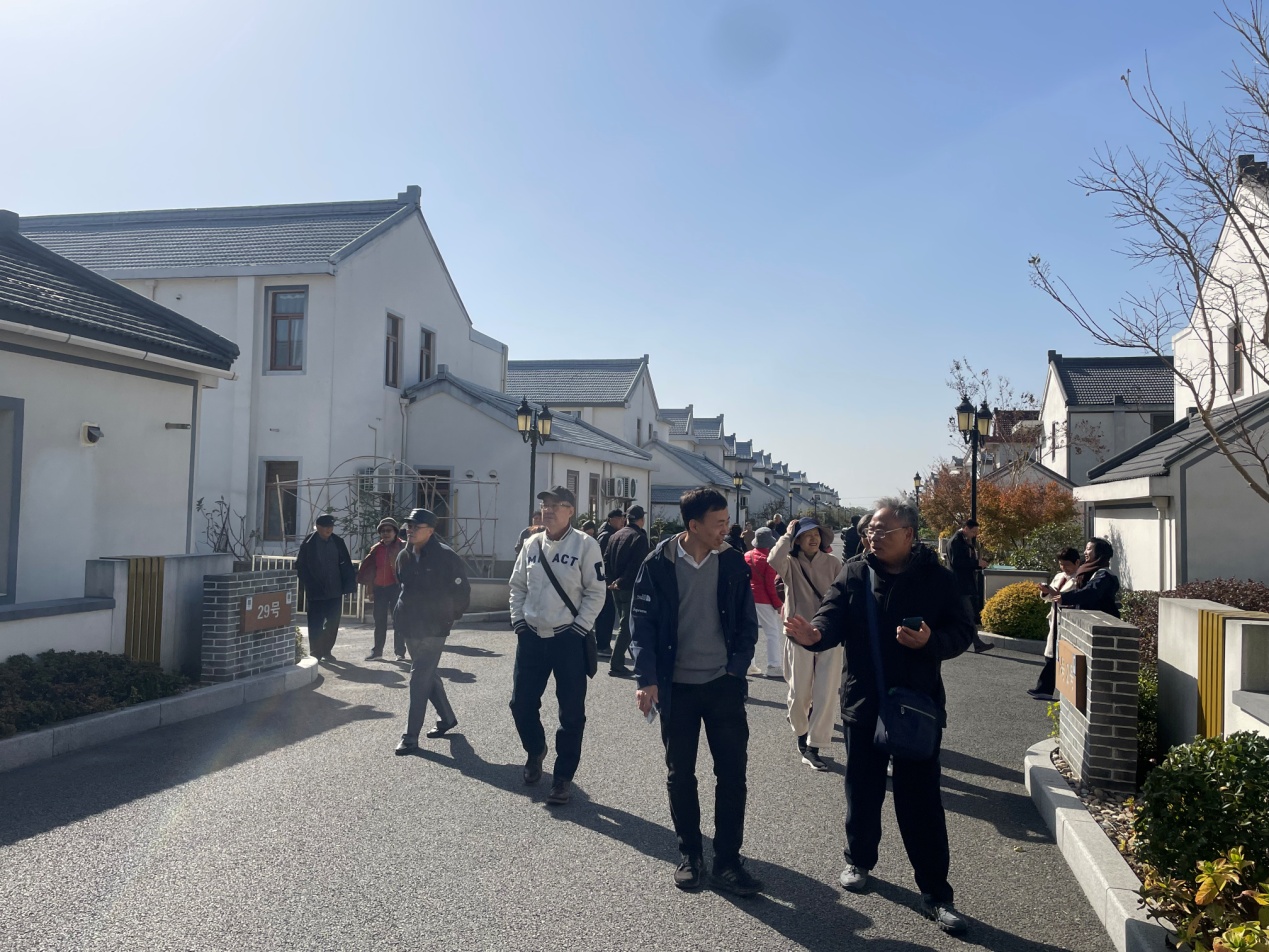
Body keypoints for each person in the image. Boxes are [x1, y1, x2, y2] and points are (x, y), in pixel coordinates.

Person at [784, 498, 977, 935]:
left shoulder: (937, 579)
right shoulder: (854, 572)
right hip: (863, 702)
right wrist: (814, 635)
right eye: (870, 529)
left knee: (921, 800)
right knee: (862, 788)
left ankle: (935, 892)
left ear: (909, 534)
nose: (873, 536)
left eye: (884, 530)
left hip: (916, 704)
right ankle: (858, 861)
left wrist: (930, 641)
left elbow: (963, 630)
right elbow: (830, 618)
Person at [631, 487, 762, 896]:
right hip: (678, 689)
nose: (727, 529)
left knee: (732, 775)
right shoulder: (659, 563)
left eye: (727, 522)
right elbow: (643, 625)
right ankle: (691, 855)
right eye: (719, 523)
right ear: (694, 526)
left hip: (722, 685)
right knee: (680, 775)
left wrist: (736, 671)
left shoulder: (734, 563)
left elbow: (747, 624)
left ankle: (727, 860)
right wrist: (646, 678)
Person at [508, 486, 607, 806]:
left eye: (555, 505)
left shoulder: (586, 544)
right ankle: (535, 750)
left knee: (571, 713)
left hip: (568, 638)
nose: (547, 510)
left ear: (570, 511)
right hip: (532, 636)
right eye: (544, 505)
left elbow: (596, 591)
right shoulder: (531, 544)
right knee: (520, 704)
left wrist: (580, 628)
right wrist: (519, 622)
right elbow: (517, 586)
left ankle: (563, 777)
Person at [393, 509, 471, 754]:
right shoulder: (404, 555)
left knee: (418, 678)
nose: (410, 529)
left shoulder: (446, 557)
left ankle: (410, 737)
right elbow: (402, 584)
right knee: (426, 674)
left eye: (417, 526)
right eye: (408, 525)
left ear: (431, 530)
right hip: (409, 624)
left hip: (434, 628)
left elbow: (462, 593)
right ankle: (447, 718)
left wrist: (448, 618)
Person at [768, 517, 843, 771]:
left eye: (817, 535)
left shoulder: (833, 563)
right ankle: (801, 732)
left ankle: (813, 746)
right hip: (797, 634)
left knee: (826, 693)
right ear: (797, 539)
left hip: (829, 636)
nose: (814, 538)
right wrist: (787, 534)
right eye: (807, 534)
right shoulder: (790, 563)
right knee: (799, 692)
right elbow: (772, 560)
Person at [295, 513, 356, 662]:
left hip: (335, 589)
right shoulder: (309, 543)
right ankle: (315, 651)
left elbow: (346, 565)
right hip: (316, 591)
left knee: (333, 623)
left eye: (331, 526)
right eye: (326, 527)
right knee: (315, 622)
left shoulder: (337, 542)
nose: (329, 529)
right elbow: (300, 566)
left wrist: (348, 585)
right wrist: (309, 584)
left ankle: (327, 650)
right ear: (318, 527)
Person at [1028, 547, 1080, 701]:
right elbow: (1050, 597)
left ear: (1077, 562)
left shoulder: (1080, 578)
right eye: (1061, 564)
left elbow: (1071, 597)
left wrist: (1056, 594)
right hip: (1055, 618)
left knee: (1060, 657)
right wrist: (1045, 591)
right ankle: (1044, 689)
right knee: (1051, 655)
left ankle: (1045, 689)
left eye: (1067, 564)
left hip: (1067, 620)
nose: (1064, 568)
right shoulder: (1059, 576)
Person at [604, 504, 650, 678]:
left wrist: (610, 580)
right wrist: (622, 581)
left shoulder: (615, 535)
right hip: (629, 586)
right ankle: (616, 664)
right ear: (641, 520)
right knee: (627, 625)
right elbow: (637, 564)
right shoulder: (639, 537)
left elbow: (606, 559)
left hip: (614, 586)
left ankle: (623, 660)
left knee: (624, 621)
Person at [358, 517, 407, 661]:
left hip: (396, 588)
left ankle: (400, 652)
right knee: (379, 622)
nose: (385, 533)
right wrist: (370, 590)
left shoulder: (403, 547)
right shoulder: (375, 549)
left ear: (395, 532)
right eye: (382, 531)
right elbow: (370, 572)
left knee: (398, 621)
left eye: (389, 530)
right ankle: (377, 652)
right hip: (380, 589)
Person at [744, 526, 784, 679]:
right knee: (772, 633)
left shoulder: (747, 555)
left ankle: (749, 665)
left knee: (749, 632)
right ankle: (773, 666)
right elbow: (770, 585)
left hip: (748, 598)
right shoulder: (769, 558)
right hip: (764, 600)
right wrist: (778, 604)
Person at [948, 519, 993, 653]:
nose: (975, 535)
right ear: (966, 528)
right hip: (959, 585)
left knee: (961, 616)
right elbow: (957, 562)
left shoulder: (961, 540)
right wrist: (976, 563)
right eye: (973, 531)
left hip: (961, 584)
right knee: (968, 615)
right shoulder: (956, 542)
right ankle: (977, 643)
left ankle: (966, 642)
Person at [593, 509, 626, 656]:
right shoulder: (607, 535)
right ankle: (602, 645)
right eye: (620, 518)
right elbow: (602, 559)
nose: (622, 521)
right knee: (606, 613)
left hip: (604, 579)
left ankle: (602, 644)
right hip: (605, 580)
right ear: (611, 519)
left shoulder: (606, 532)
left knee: (605, 613)